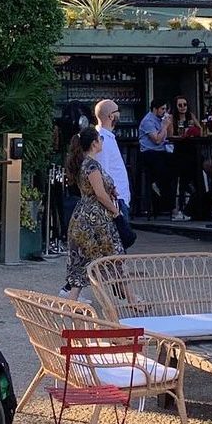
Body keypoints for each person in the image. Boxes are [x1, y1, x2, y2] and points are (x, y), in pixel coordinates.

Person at [62, 126, 121, 297]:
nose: (101, 142)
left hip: (83, 217)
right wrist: (115, 211)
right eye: (99, 139)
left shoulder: (83, 163)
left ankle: (72, 301)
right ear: (94, 143)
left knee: (83, 262)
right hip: (95, 219)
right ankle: (131, 299)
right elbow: (100, 194)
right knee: (112, 256)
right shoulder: (92, 165)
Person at [94, 99, 131, 216]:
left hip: (119, 201)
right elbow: (102, 173)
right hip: (115, 203)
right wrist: (113, 208)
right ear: (111, 116)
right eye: (117, 111)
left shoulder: (108, 137)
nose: (119, 114)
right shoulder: (102, 140)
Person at [138, 98, 174, 216]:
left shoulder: (161, 120)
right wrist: (164, 126)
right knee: (164, 172)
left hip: (162, 151)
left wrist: (169, 124)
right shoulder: (148, 121)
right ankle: (163, 203)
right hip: (150, 152)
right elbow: (157, 140)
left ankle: (170, 203)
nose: (164, 111)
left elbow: (169, 136)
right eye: (162, 109)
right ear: (155, 109)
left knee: (175, 166)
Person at [170, 95, 203, 219]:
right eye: (180, 105)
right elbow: (170, 135)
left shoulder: (191, 116)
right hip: (180, 151)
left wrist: (193, 131)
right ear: (176, 106)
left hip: (192, 150)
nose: (183, 107)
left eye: (185, 104)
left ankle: (196, 206)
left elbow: (200, 129)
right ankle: (179, 206)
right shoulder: (172, 118)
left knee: (197, 175)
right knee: (180, 180)